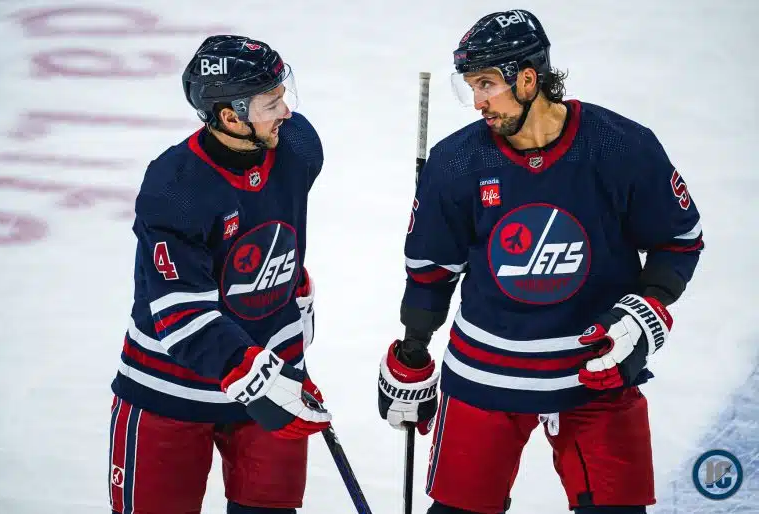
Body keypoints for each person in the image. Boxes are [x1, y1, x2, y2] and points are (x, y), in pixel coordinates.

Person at [377, 9, 704, 514]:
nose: (478, 102)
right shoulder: (456, 162)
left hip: (595, 371)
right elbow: (430, 271)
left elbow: (679, 240)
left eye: (487, 84)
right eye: (470, 86)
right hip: (485, 374)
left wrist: (647, 310)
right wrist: (413, 349)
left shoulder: (621, 147)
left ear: (528, 79)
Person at [108, 35, 331, 514]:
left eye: (283, 96)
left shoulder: (298, 146)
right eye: (271, 104)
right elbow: (182, 314)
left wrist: (291, 327)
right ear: (231, 117)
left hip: (273, 376)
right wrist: (262, 377)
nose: (287, 112)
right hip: (170, 390)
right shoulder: (176, 186)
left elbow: (273, 225)